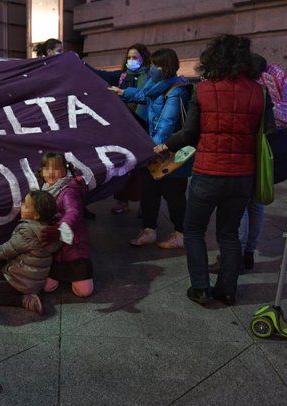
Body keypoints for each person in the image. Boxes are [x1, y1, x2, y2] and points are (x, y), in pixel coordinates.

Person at [157, 34, 275, 307]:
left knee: (195, 229)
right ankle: (227, 290)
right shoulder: (260, 92)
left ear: (213, 58)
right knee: (229, 233)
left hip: (207, 173)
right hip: (242, 176)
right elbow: (269, 131)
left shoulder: (204, 89)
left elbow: (188, 134)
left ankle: (200, 288)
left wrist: (165, 145)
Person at [109, 48, 193, 249]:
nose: (152, 68)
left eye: (156, 65)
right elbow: (144, 95)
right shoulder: (155, 85)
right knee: (149, 192)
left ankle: (180, 233)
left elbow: (167, 124)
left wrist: (153, 147)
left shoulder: (176, 91)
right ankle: (149, 230)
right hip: (153, 150)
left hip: (169, 151)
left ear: (166, 67)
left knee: (174, 196)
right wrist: (123, 93)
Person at [238, 53, 287, 270]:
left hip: (253, 146)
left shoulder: (253, 84)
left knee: (240, 202)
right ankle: (249, 252)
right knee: (256, 202)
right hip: (273, 145)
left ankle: (236, 254)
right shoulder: (277, 75)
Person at [0, 190, 62, 314]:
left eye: (26, 205)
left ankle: (24, 300)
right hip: (34, 278)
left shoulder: (27, 232)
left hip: (22, 282)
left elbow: (4, 251)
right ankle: (27, 294)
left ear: (36, 215)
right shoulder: (51, 230)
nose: (22, 206)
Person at [92, 44, 152, 214]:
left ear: (143, 59)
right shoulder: (122, 76)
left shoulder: (150, 77)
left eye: (135, 58)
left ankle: (145, 204)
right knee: (125, 165)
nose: (131, 61)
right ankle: (122, 200)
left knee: (144, 168)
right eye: (129, 57)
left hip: (143, 127)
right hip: (125, 128)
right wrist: (80, 63)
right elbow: (101, 74)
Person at [37, 153, 94, 297]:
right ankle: (59, 275)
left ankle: (78, 275)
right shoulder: (44, 190)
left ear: (64, 171)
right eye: (46, 168)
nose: (50, 173)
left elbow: (73, 212)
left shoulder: (68, 191)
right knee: (46, 287)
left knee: (84, 291)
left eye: (55, 168)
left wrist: (59, 229)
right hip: (55, 250)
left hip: (73, 247)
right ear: (41, 171)